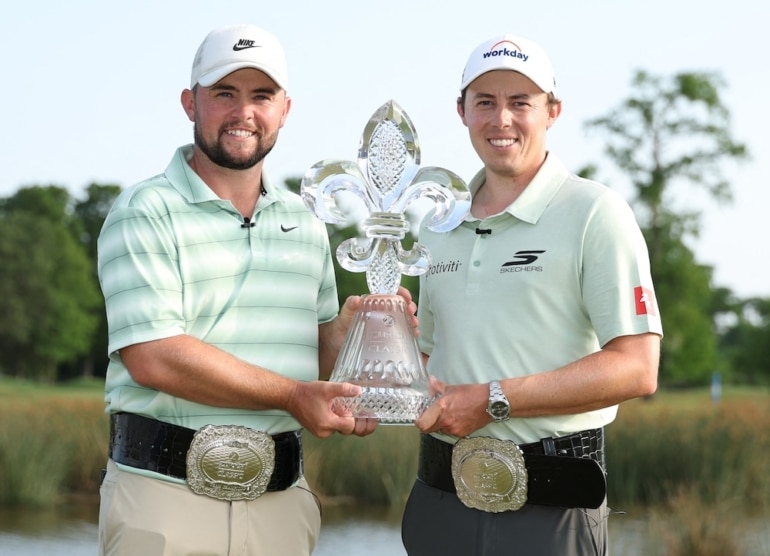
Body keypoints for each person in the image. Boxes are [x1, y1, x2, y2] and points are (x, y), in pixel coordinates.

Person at [96, 24, 411, 556]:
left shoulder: (305, 222)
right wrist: (293, 396)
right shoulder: (145, 211)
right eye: (224, 93)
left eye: (261, 96)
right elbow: (154, 357)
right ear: (190, 102)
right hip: (164, 499)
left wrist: (352, 336)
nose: (244, 112)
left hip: (281, 505)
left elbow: (310, 362)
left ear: (284, 109)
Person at [401, 33, 663, 556]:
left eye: (520, 102)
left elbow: (637, 368)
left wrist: (494, 400)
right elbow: (431, 356)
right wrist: (388, 349)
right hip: (438, 500)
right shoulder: (437, 224)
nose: (501, 119)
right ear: (462, 111)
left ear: (552, 111)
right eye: (485, 102)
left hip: (552, 507)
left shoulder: (595, 213)